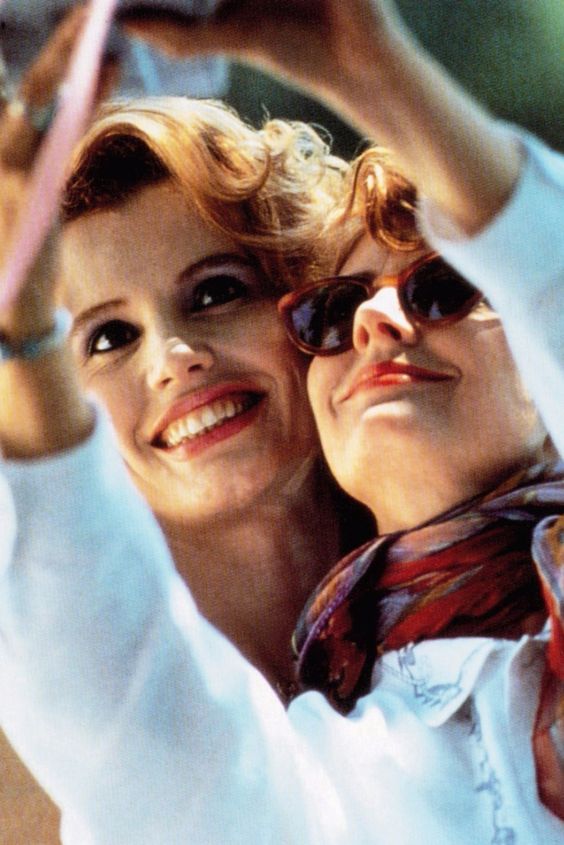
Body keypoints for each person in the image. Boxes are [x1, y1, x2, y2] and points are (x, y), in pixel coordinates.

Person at [0, 0, 562, 842]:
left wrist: (374, 69)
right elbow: (126, 714)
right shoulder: (315, 769)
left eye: (217, 292)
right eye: (108, 338)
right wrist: (18, 330)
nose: (174, 357)